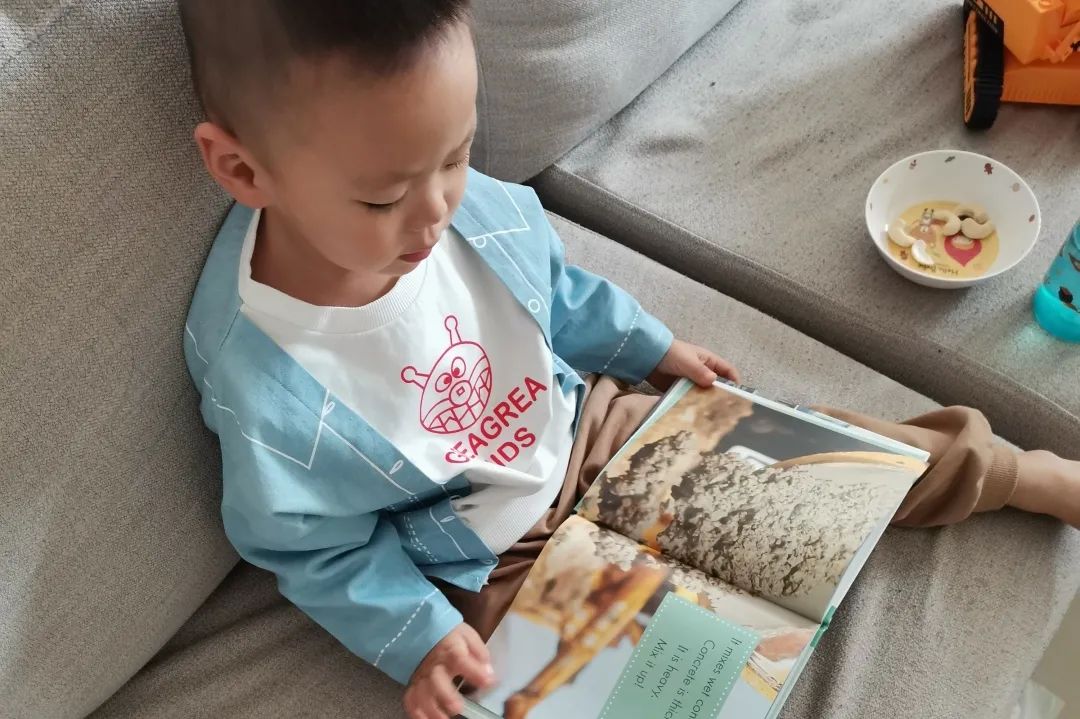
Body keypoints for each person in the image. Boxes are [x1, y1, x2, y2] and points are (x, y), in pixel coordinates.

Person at [176, 2, 1080, 717]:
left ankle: (1016, 473)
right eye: (382, 200)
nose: (436, 211)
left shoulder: (457, 203)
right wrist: (415, 636)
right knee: (601, 686)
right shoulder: (266, 387)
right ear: (243, 171)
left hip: (602, 426)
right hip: (492, 558)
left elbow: (556, 292)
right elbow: (315, 550)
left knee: (825, 457)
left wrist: (650, 346)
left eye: (455, 156)